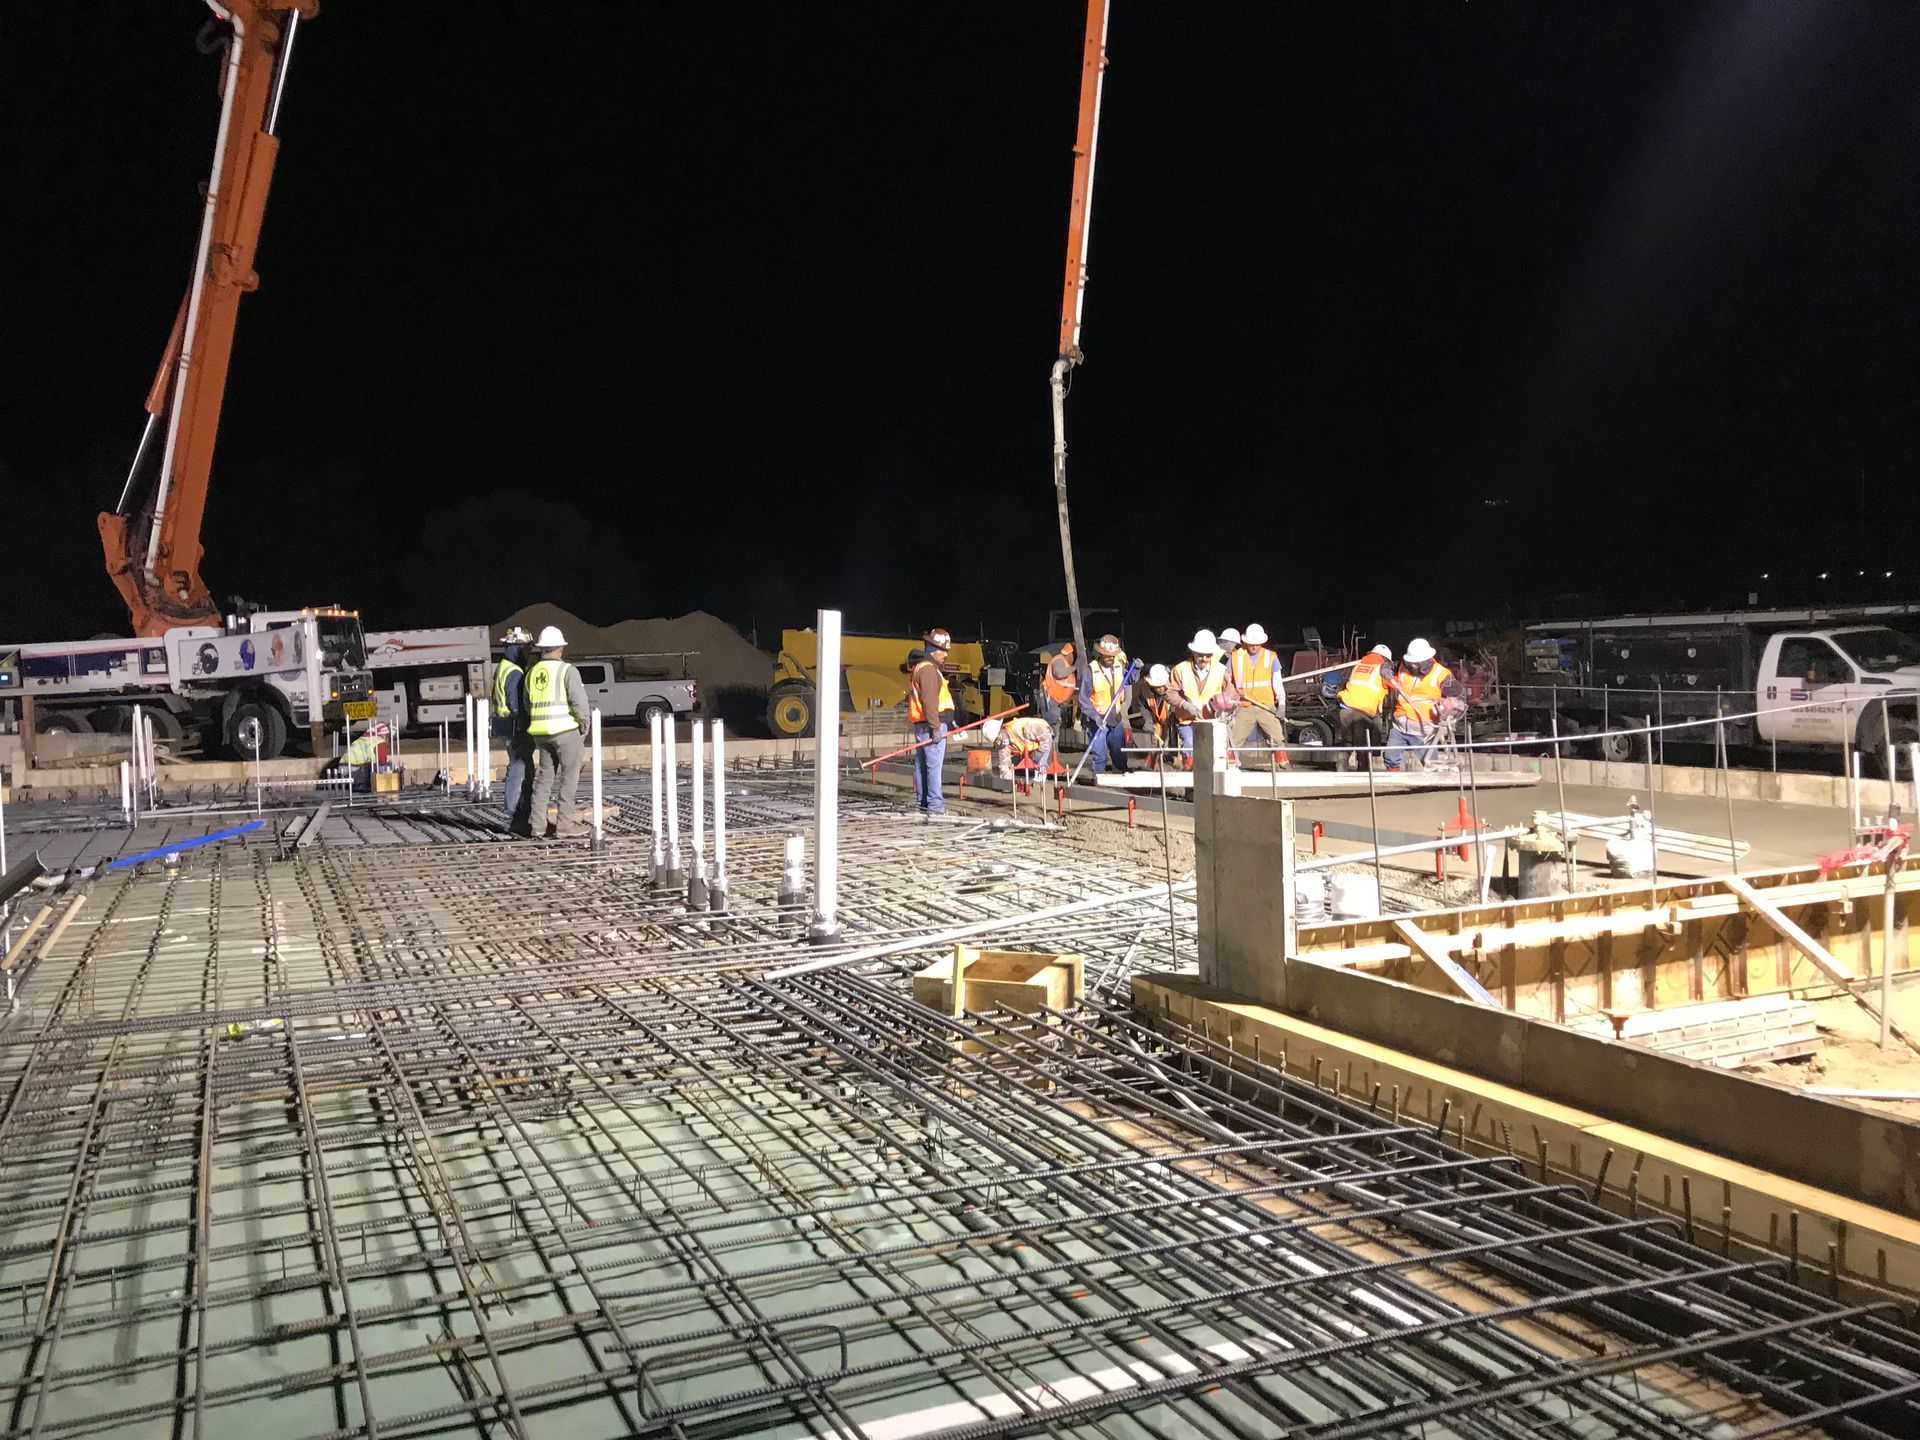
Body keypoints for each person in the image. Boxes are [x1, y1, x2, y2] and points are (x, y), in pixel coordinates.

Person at [520, 624, 590, 837]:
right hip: (566, 732)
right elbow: (580, 703)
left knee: (544, 780)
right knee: (569, 780)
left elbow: (526, 704)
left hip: (541, 734)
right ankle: (564, 826)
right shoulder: (567, 671)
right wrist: (584, 726)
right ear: (560, 648)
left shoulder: (532, 673)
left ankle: (538, 827)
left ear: (541, 649)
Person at [1384, 637, 1462, 772]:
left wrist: (1451, 707)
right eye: (1411, 662)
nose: (1412, 665)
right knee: (1390, 758)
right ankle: (1393, 783)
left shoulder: (1442, 674)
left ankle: (1435, 788)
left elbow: (1460, 698)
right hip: (1399, 726)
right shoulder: (1403, 666)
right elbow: (1390, 665)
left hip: (1424, 730)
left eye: (1415, 663)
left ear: (1425, 662)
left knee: (1431, 764)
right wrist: (1385, 668)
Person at [1227, 622, 1289, 770]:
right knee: (1234, 738)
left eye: (1257, 643)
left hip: (1265, 705)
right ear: (1245, 642)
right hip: (1244, 706)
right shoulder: (1235, 657)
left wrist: (1282, 703)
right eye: (1251, 643)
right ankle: (1229, 767)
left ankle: (1282, 765)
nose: (1254, 646)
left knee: (1276, 736)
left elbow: (1277, 682)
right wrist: (1229, 699)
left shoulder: (1270, 657)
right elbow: (1227, 681)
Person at [907, 629, 956, 815]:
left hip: (924, 724)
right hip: (930, 725)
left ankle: (923, 804)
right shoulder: (928, 669)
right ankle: (935, 807)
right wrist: (936, 727)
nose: (946, 655)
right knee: (932, 767)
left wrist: (950, 722)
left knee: (922, 765)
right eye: (944, 650)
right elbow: (929, 701)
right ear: (935, 649)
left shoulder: (921, 667)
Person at [1170, 630, 1234, 767]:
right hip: (1187, 720)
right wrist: (1184, 705)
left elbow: (1231, 692)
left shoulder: (1220, 670)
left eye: (1208, 655)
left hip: (1211, 720)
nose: (1204, 659)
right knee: (1189, 745)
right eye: (1200, 655)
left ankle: (1213, 782)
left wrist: (1227, 705)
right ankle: (1190, 778)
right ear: (1193, 652)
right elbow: (1170, 692)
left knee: (1215, 751)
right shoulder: (1180, 669)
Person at [491, 626, 534, 829]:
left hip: (505, 726)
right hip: (515, 727)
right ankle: (515, 812)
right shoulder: (515, 672)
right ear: (517, 648)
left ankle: (515, 809)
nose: (529, 652)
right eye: (526, 648)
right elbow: (515, 704)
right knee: (520, 769)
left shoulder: (503, 667)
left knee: (517, 768)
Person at [1327, 643, 1394, 769]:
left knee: (1347, 741)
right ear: (1385, 659)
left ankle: (1341, 765)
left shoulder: (1359, 665)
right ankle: (1364, 773)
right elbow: (1392, 687)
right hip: (1363, 712)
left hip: (1345, 708)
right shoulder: (1382, 668)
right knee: (1365, 744)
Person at [1078, 633, 1132, 775]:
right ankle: (1099, 776)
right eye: (1108, 656)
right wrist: (1095, 717)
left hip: (1115, 716)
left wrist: (1136, 669)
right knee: (1100, 753)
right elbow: (1083, 699)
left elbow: (1130, 679)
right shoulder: (1091, 671)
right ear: (1100, 654)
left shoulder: (1119, 667)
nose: (1110, 658)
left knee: (1118, 750)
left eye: (1113, 656)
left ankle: (1120, 772)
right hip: (1097, 719)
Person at [982, 714, 1054, 781]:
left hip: (1043, 737)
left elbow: (1045, 735)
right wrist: (1007, 783)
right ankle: (1032, 769)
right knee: (1020, 765)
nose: (998, 743)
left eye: (997, 739)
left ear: (1001, 731)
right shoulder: (1003, 745)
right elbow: (1004, 764)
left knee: (1039, 761)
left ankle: (1041, 776)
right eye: (995, 742)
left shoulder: (1021, 728)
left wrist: (1039, 752)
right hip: (1027, 749)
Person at [1036, 641, 1077, 730]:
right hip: (1051, 699)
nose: (1074, 659)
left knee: (1054, 728)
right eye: (1074, 655)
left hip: (1056, 701)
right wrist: (1075, 667)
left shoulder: (1066, 665)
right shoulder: (1059, 660)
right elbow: (1058, 673)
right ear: (1070, 654)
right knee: (1051, 729)